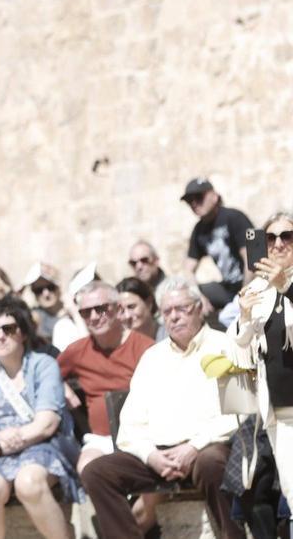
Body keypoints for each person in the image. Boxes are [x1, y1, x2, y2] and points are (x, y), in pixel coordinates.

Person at [79, 277, 244, 539]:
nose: (174, 317)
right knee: (96, 472)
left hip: (205, 448)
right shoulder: (152, 358)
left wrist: (193, 447)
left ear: (199, 307)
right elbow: (130, 425)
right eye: (167, 311)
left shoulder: (226, 346)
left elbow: (240, 412)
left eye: (182, 308)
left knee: (213, 465)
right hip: (159, 454)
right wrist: (151, 455)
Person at [0, 298, 80, 539]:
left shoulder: (43, 365)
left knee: (28, 482)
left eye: (8, 329)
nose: (0, 336)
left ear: (23, 333)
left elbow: (46, 425)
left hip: (41, 447)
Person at [229, 211, 293, 506]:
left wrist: (286, 287)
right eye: (270, 238)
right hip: (279, 412)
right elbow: (237, 351)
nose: (278, 244)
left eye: (287, 236)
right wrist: (243, 318)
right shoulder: (254, 290)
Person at [57, 282, 153, 472]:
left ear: (118, 309)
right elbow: (45, 375)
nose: (93, 317)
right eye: (85, 312)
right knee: (86, 467)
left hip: (142, 436)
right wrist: (62, 387)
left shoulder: (145, 348)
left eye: (100, 309)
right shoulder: (77, 351)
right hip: (101, 440)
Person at [181, 177, 253, 311]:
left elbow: (252, 259)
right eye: (189, 201)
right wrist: (198, 297)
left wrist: (245, 293)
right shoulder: (199, 230)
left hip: (251, 284)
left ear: (214, 196)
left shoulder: (234, 218)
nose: (194, 204)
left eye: (198, 197)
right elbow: (188, 269)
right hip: (228, 289)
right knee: (186, 296)